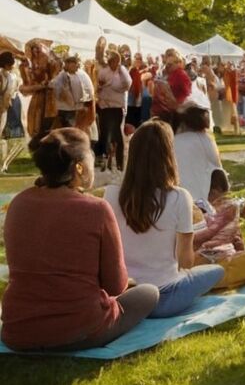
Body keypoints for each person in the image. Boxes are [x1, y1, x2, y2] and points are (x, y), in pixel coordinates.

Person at [1, 128, 159, 350]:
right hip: (80, 329)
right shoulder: (96, 209)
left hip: (19, 329)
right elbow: (116, 285)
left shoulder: (19, 203)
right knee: (149, 292)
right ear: (79, 166)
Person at [105, 120, 226, 317]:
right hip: (164, 299)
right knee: (216, 271)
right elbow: (185, 262)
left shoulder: (111, 194)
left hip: (125, 295)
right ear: (168, 156)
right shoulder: (179, 197)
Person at [173, 104, 224, 204]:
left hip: (178, 198)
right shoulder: (205, 139)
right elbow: (218, 168)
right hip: (200, 198)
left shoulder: (174, 140)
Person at [52, 54, 94, 129]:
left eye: (76, 65)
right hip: (66, 109)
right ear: (67, 65)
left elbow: (87, 90)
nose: (76, 67)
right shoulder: (62, 75)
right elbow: (55, 88)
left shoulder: (80, 75)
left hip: (77, 108)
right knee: (69, 130)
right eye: (73, 65)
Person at [0, 50, 22, 139]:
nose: (12, 66)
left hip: (5, 102)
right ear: (6, 65)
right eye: (10, 65)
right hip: (2, 101)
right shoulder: (2, 74)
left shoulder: (10, 74)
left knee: (2, 122)